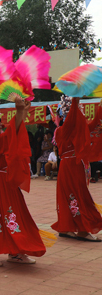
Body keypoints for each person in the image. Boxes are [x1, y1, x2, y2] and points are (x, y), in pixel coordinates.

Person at [0, 99, 49, 266]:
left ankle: (15, 251)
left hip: (5, 181)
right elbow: (11, 133)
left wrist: (23, 112)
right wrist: (20, 112)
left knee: (13, 213)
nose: (0, 125)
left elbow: (11, 133)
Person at [52, 97, 102, 241]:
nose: (81, 114)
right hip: (70, 167)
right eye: (78, 111)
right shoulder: (63, 130)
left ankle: (67, 228)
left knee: (72, 196)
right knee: (78, 195)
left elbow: (93, 126)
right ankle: (81, 230)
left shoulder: (76, 129)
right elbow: (74, 117)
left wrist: (100, 107)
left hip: (74, 166)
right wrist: (76, 97)